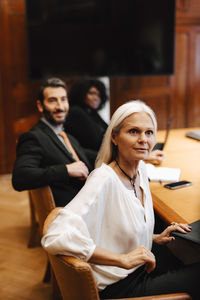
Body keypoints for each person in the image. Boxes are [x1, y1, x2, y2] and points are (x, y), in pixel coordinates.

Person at [42, 100, 199, 299]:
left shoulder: (140, 168)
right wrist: (122, 259)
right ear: (114, 137)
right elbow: (55, 235)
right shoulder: (103, 179)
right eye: (134, 131)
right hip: (121, 285)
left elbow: (113, 230)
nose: (143, 139)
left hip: (140, 267)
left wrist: (152, 237)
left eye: (149, 132)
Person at [12, 77, 96, 206]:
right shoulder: (33, 137)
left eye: (63, 99)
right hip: (74, 210)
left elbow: (80, 153)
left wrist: (114, 153)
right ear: (40, 106)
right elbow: (20, 178)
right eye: (52, 101)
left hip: (89, 199)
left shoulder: (64, 134)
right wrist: (66, 170)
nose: (60, 107)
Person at [65, 78, 165, 164]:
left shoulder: (91, 112)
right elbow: (102, 141)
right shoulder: (76, 112)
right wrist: (141, 155)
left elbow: (107, 132)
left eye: (99, 95)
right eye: (92, 93)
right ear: (81, 94)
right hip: (98, 163)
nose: (96, 98)